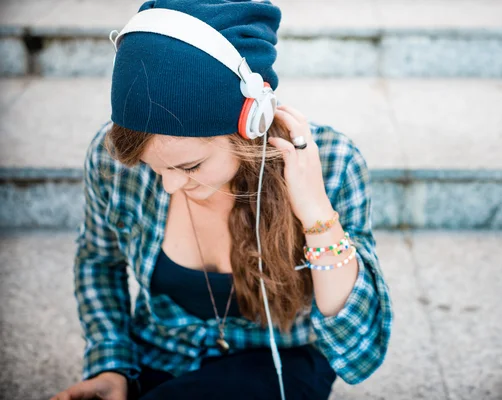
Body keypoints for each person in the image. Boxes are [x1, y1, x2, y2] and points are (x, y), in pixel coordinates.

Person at [51, 0, 393, 399]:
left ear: (251, 125)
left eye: (190, 166)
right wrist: (111, 365)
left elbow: (358, 349)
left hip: (279, 361)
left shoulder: (333, 161)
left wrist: (316, 212)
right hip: (162, 354)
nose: (170, 186)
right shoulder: (112, 160)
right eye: (155, 168)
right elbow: (99, 259)